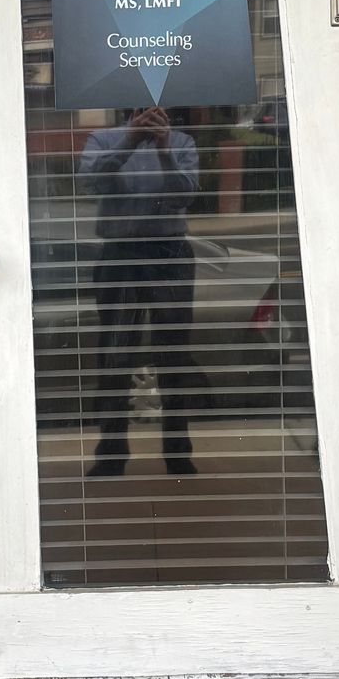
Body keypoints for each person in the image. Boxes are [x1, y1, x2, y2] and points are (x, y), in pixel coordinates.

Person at [77, 103, 199, 477]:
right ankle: (111, 454)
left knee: (174, 354)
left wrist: (163, 151)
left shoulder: (181, 142)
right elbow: (89, 184)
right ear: (128, 110)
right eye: (142, 110)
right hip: (121, 252)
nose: (149, 115)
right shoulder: (103, 139)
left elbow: (186, 196)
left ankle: (178, 454)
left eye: (155, 109)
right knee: (114, 354)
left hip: (169, 251)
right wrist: (129, 141)